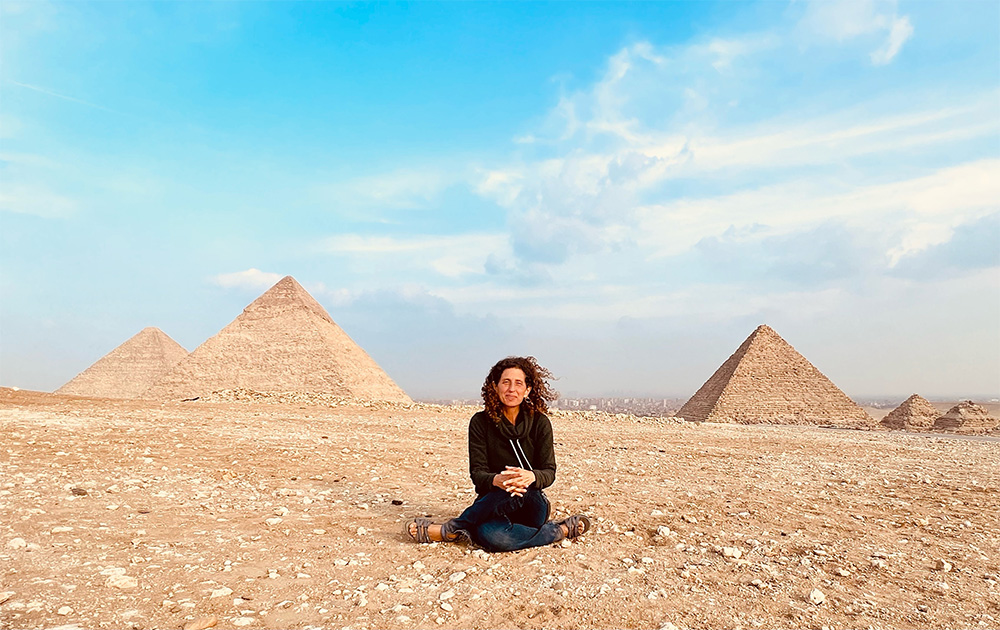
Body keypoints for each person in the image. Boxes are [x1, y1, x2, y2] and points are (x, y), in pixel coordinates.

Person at [406, 356, 590, 552]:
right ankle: (558, 531)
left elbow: (549, 472)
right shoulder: (480, 422)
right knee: (492, 537)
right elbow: (477, 474)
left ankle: (454, 528)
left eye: (518, 383)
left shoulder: (540, 423)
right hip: (492, 503)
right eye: (506, 382)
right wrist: (497, 480)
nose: (512, 389)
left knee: (516, 486)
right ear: (495, 386)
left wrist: (530, 476)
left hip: (531, 502)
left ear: (527, 389)